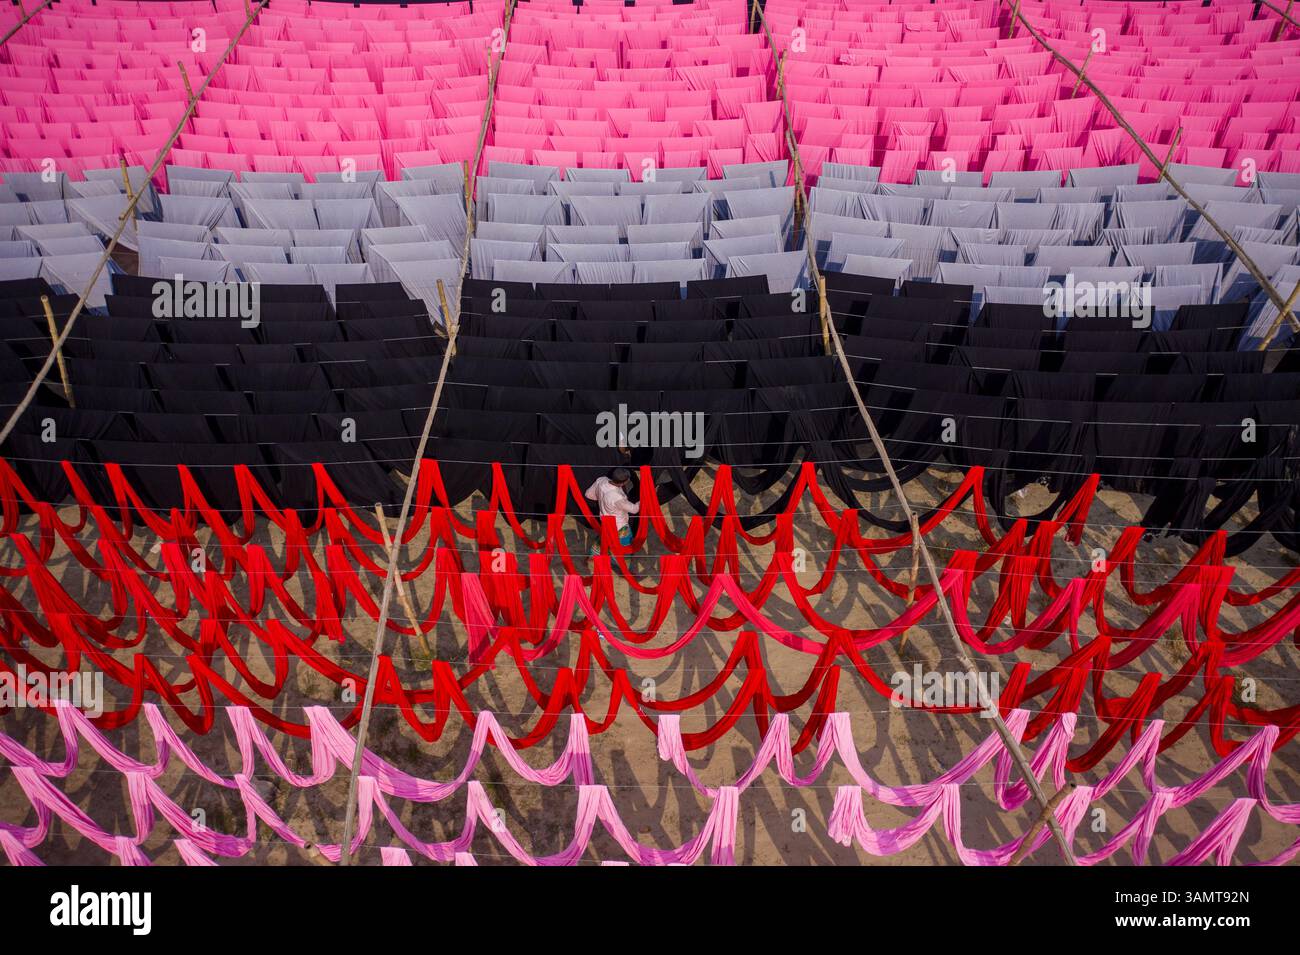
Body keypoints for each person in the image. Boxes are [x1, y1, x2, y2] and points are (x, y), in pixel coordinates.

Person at [585, 467, 638, 555]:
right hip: (620, 526)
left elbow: (588, 494)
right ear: (624, 482)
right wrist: (642, 501)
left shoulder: (601, 480)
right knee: (624, 548)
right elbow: (634, 509)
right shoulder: (617, 498)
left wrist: (602, 499)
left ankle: (592, 558)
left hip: (605, 522)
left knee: (603, 539)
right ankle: (622, 566)